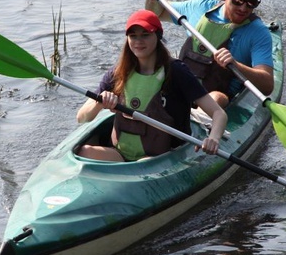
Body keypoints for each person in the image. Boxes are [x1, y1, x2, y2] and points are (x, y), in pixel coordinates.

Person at [76, 9, 227, 162]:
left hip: (162, 157)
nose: (138, 41)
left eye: (145, 35)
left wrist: (213, 138)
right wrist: (99, 102)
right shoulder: (118, 72)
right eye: (133, 36)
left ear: (158, 36)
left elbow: (218, 113)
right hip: (119, 156)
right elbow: (82, 117)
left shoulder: (176, 71)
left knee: (142, 164)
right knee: (84, 151)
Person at [143, 0, 274, 108]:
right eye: (237, 1)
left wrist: (236, 65)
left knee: (216, 98)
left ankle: (200, 125)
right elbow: (157, 13)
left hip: (218, 102)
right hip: (181, 88)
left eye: (251, 4)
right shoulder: (200, 7)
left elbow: (267, 85)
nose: (243, 8)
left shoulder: (258, 33)